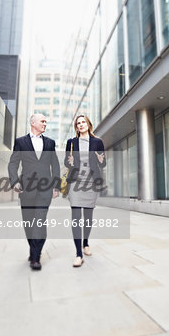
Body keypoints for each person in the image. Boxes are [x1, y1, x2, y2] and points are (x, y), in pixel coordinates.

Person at [8, 113, 60, 270]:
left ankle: (36, 257)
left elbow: (55, 166)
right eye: (42, 121)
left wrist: (56, 186)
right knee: (28, 222)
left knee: (40, 221)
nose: (45, 124)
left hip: (45, 190)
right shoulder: (20, 142)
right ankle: (33, 248)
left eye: (46, 121)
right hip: (26, 190)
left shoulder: (50, 143)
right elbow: (13, 164)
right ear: (33, 123)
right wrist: (15, 181)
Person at [64, 114, 106, 267]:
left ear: (88, 124)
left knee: (88, 217)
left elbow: (103, 162)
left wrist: (101, 160)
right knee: (76, 216)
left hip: (91, 182)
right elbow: (66, 162)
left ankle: (85, 243)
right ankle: (78, 254)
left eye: (83, 122)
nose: (81, 125)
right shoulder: (71, 142)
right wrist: (70, 162)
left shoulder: (97, 142)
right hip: (75, 182)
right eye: (78, 123)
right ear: (76, 127)